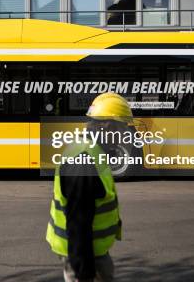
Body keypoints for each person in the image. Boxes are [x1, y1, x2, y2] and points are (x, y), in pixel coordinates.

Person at [46, 92, 133, 282]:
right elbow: (78, 223)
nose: (124, 135)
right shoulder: (84, 161)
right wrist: (83, 272)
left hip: (92, 251)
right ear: (107, 126)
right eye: (122, 128)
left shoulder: (93, 151)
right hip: (83, 255)